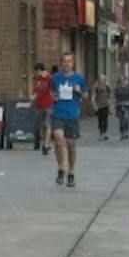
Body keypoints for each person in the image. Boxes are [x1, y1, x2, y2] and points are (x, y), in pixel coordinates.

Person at [49, 52, 87, 187]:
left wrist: (79, 91)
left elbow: (86, 95)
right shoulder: (55, 78)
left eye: (69, 61)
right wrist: (53, 97)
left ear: (73, 63)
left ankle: (71, 171)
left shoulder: (79, 79)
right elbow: (51, 92)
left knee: (71, 145)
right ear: (61, 63)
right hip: (58, 113)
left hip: (72, 115)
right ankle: (61, 167)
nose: (67, 64)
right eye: (64, 61)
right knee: (58, 139)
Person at [31, 63, 54, 155]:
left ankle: (46, 145)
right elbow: (36, 91)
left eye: (36, 71)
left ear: (39, 70)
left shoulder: (49, 78)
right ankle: (45, 143)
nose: (36, 74)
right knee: (42, 126)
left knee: (47, 124)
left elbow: (52, 91)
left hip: (48, 104)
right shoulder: (38, 79)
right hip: (39, 105)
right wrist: (33, 96)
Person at [114, 72, 129, 139]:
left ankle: (126, 132)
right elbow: (116, 96)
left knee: (126, 119)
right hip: (120, 105)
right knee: (121, 120)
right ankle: (122, 132)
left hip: (127, 105)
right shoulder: (117, 88)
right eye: (121, 80)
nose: (123, 81)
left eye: (124, 80)